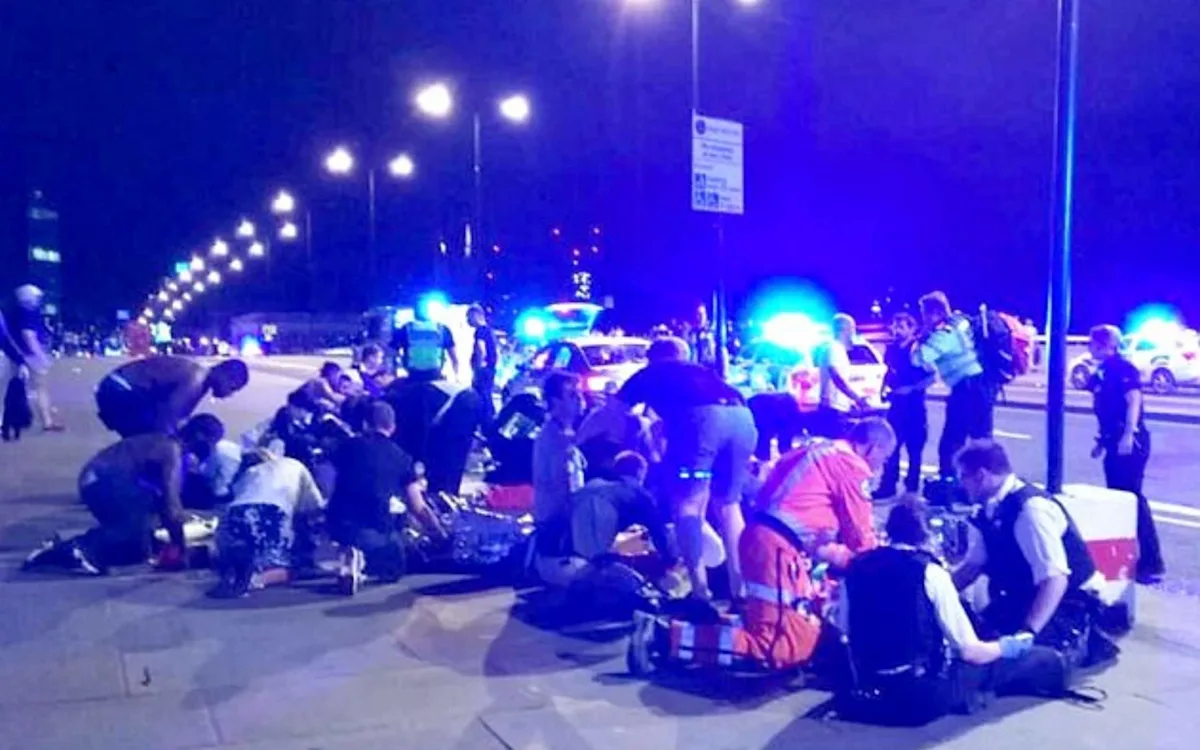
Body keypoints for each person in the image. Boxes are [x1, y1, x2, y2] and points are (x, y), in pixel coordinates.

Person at [628, 419, 894, 675]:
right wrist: (884, 558)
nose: (880, 468)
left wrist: (840, 555)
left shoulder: (814, 451)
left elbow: (800, 521)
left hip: (766, 541)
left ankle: (695, 630)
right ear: (873, 449)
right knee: (775, 645)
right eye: (883, 459)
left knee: (785, 626)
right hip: (777, 550)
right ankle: (664, 638)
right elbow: (861, 539)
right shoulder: (850, 465)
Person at [834, 502, 1064, 725]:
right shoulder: (929, 572)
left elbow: (843, 630)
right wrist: (1009, 646)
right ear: (926, 536)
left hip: (868, 689)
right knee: (1006, 664)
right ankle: (1054, 666)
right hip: (919, 697)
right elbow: (971, 652)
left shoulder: (855, 568)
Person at [590, 336, 756, 601]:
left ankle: (700, 592)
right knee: (728, 505)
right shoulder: (702, 373)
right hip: (742, 420)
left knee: (689, 503)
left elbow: (613, 413)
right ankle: (742, 589)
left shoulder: (652, 372)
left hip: (702, 423)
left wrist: (596, 439)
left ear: (653, 357)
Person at [953, 442, 1110, 668]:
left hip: (1068, 605)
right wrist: (937, 591)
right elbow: (972, 567)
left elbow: (1055, 579)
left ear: (981, 476)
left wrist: (1027, 633)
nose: (961, 484)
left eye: (963, 476)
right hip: (1023, 597)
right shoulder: (986, 511)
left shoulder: (1030, 510)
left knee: (1008, 665)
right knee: (969, 642)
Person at [24, 433, 186, 575]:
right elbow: (171, 504)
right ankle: (82, 548)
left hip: (94, 481)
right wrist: (180, 546)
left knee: (138, 541)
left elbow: (162, 502)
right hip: (107, 479)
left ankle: (53, 553)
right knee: (133, 527)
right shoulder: (172, 450)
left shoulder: (156, 442)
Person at [327, 401, 442, 594]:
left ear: (365, 424)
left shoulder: (346, 447)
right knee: (392, 569)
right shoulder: (403, 458)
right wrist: (437, 531)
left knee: (347, 523)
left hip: (340, 522)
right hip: (379, 528)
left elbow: (329, 476)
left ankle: (348, 556)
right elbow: (417, 506)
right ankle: (365, 560)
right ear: (393, 427)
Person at [1087, 324, 1164, 583]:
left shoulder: (1123, 369)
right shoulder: (1101, 372)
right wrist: (1101, 441)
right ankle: (1126, 558)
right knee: (1118, 500)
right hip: (1114, 441)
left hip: (1131, 442)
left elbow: (1133, 401)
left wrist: (1129, 433)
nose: (1089, 348)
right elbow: (1105, 410)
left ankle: (1151, 563)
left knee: (1131, 500)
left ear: (1105, 346)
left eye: (1093, 344)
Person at [210, 446, 326, 598]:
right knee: (285, 565)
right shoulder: (295, 465)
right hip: (270, 512)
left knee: (238, 551)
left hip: (234, 513)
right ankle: (255, 579)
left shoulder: (250, 472)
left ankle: (234, 570)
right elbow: (314, 507)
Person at [915, 291, 994, 479]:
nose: (923, 318)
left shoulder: (944, 334)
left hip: (966, 388)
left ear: (935, 313)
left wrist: (921, 337)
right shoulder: (961, 323)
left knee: (951, 440)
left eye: (924, 313)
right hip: (982, 385)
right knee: (981, 438)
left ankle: (949, 482)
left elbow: (919, 358)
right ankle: (986, 479)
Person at [95, 356, 250, 437]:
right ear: (224, 373)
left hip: (118, 388)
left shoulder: (200, 379)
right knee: (151, 439)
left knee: (149, 435)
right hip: (119, 390)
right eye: (232, 387)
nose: (229, 394)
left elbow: (178, 417)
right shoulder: (196, 380)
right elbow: (167, 417)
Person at [531, 371, 588, 586]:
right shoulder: (552, 438)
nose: (580, 400)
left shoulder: (566, 433)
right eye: (572, 395)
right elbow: (559, 483)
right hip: (558, 525)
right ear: (555, 401)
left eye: (579, 394)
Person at [877, 312, 934, 498]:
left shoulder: (918, 350)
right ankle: (888, 486)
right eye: (895, 326)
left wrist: (912, 389)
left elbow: (932, 376)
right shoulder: (891, 349)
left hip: (914, 407)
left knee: (914, 450)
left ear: (912, 329)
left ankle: (911, 489)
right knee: (891, 448)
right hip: (896, 406)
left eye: (901, 327)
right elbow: (889, 372)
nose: (896, 330)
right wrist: (883, 389)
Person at [5, 285, 63, 431]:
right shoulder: (29, 313)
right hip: (30, 355)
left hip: (17, 354)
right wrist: (40, 355)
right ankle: (46, 421)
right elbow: (29, 335)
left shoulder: (16, 312)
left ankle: (17, 419)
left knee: (16, 386)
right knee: (40, 388)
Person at [815, 313, 870, 439]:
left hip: (836, 409)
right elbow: (837, 378)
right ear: (845, 329)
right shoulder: (834, 348)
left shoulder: (836, 349)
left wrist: (850, 402)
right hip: (833, 410)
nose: (853, 333)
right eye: (852, 329)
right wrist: (858, 399)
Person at [392, 305, 459, 382]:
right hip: (435, 373)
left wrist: (400, 359)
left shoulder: (406, 328)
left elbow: (391, 351)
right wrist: (456, 377)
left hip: (413, 374)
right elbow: (454, 357)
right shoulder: (441, 329)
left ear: (415, 313)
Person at [467, 304, 499, 421]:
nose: (467, 320)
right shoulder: (489, 331)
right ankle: (490, 420)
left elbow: (481, 349)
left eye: (469, 316)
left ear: (476, 315)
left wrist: (479, 367)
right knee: (487, 396)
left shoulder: (480, 331)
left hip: (483, 371)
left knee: (481, 397)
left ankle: (485, 423)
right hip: (490, 369)